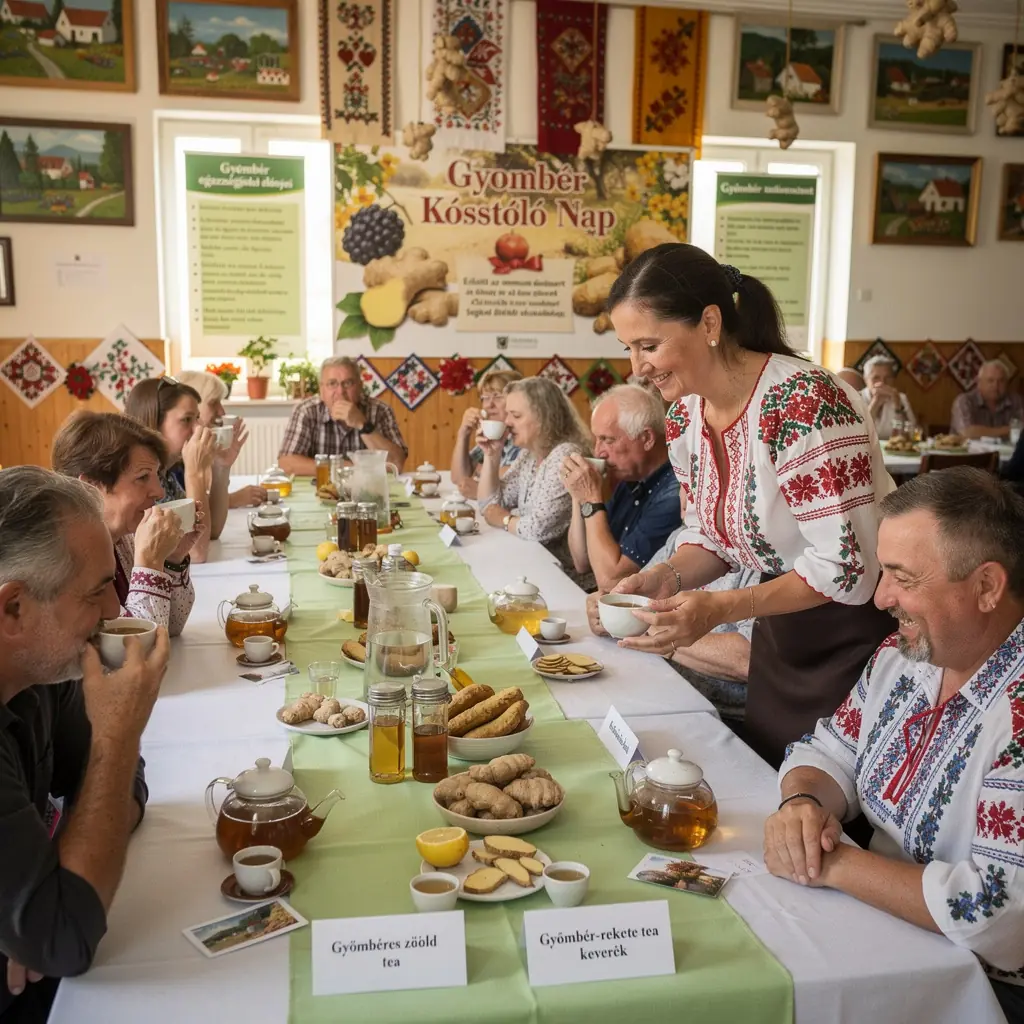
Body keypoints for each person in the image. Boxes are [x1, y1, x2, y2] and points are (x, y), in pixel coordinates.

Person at [606, 243, 895, 768]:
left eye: (648, 345)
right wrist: (664, 577)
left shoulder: (802, 403)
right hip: (781, 633)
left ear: (709, 322)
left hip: (852, 642)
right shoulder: (686, 417)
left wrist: (721, 607)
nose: (636, 367)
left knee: (827, 807)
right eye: (628, 347)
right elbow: (712, 537)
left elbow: (848, 567)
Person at [764, 468, 1024, 1022]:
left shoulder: (1018, 715)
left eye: (902, 577)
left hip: (981, 987)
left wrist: (829, 864)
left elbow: (998, 914)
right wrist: (803, 806)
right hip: (878, 933)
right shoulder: (905, 657)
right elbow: (830, 748)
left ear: (986, 587)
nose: (881, 596)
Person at [0, 467, 170, 1023]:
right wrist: (118, 737)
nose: (114, 615)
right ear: (13, 608)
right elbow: (66, 940)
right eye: (97, 591)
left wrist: (40, 881)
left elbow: (123, 780)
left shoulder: (41, 671)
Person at [588, 507, 758, 723]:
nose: (688, 498)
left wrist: (652, 630)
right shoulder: (682, 537)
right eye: (685, 486)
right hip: (657, 684)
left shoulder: (760, 558)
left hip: (718, 716)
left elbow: (746, 659)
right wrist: (603, 606)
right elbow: (637, 599)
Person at [51, 412, 198, 636]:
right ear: (90, 487)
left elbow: (172, 626)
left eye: (157, 475)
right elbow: (138, 645)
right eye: (142, 477)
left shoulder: (123, 540)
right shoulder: (67, 562)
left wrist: (173, 559)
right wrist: (150, 562)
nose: (159, 491)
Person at [565, 384, 681, 592]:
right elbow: (581, 561)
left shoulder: (674, 492)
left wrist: (591, 498)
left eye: (608, 440)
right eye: (596, 439)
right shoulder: (631, 479)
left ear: (646, 439)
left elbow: (610, 580)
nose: (598, 452)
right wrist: (579, 495)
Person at [477, 377, 591, 547]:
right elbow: (490, 505)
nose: (507, 422)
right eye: (508, 414)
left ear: (544, 418)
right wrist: (492, 454)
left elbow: (538, 529)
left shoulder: (566, 454)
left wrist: (504, 519)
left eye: (515, 415)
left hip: (559, 565)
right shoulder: (529, 454)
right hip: (531, 553)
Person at [123, 377, 217, 563]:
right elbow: (196, 552)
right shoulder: (143, 480)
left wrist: (222, 466)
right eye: (186, 419)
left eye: (197, 418)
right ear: (154, 425)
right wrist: (194, 471)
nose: (199, 428)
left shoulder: (166, 473)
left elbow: (209, 531)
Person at [278, 356, 407, 475]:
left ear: (360, 387)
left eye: (348, 383)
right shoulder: (306, 411)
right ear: (321, 390)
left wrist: (362, 424)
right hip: (320, 490)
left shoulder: (380, 410)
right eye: (332, 384)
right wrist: (345, 467)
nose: (340, 392)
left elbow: (396, 464)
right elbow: (287, 464)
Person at [175, 370, 266, 509]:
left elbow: (204, 492)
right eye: (213, 403)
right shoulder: (172, 463)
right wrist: (234, 499)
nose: (222, 412)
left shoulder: (192, 450)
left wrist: (221, 465)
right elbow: (195, 514)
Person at [450, 368, 522, 499]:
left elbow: (513, 478)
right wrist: (463, 432)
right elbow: (459, 479)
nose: (489, 405)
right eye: (485, 398)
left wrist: (480, 480)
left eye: (498, 396)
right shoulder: (493, 434)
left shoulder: (524, 436)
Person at [951, 360, 1024, 440]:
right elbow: (967, 432)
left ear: (1007, 383)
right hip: (968, 451)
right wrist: (1009, 429)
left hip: (1006, 452)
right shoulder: (964, 401)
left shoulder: (1016, 401)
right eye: (990, 381)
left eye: (1001, 381)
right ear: (979, 383)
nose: (995, 386)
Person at [860, 355, 918, 440]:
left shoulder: (901, 398)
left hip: (894, 450)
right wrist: (875, 403)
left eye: (888, 377)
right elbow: (857, 434)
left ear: (893, 379)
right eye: (876, 378)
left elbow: (912, 434)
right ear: (866, 379)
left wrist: (898, 405)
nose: (882, 382)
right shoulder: (856, 398)